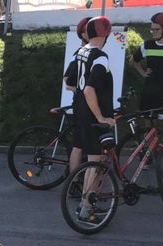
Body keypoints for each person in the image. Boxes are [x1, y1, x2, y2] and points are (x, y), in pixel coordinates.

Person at [68, 16, 115, 224]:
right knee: (94, 164)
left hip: (80, 111)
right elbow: (89, 89)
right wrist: (101, 117)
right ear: (106, 34)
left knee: (90, 161)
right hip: (92, 116)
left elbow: (74, 84)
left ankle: (84, 201)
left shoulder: (82, 51)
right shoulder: (101, 57)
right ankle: (86, 209)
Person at [64, 16, 92, 173]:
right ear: (83, 34)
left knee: (81, 145)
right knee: (79, 145)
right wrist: (83, 91)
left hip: (88, 105)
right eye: (90, 30)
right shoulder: (80, 54)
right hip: (83, 106)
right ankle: (74, 180)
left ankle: (77, 178)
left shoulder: (91, 52)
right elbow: (67, 81)